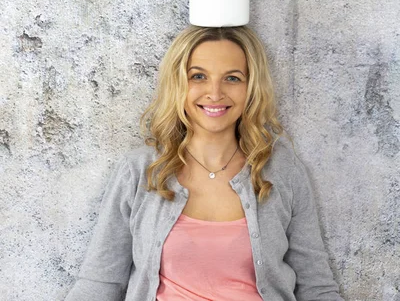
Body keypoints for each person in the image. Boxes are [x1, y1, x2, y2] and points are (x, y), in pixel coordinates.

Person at [65, 25, 344, 301]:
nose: (214, 93)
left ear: (251, 87)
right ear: (179, 84)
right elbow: (100, 283)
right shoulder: (140, 171)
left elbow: (316, 287)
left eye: (232, 78)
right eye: (198, 76)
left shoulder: (281, 169)